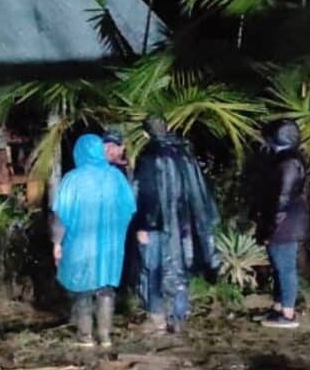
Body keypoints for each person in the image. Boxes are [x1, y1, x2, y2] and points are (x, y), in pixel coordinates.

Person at [132, 116, 220, 335]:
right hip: (185, 224)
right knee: (178, 269)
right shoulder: (184, 154)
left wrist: (143, 223)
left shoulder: (150, 156)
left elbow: (148, 192)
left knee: (153, 269)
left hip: (158, 224)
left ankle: (157, 317)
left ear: (145, 133)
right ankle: (178, 315)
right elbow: (199, 191)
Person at [52, 134, 136, 348]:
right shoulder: (116, 177)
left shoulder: (72, 179)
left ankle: (85, 336)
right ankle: (105, 336)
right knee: (106, 287)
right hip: (110, 245)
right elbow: (129, 208)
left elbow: (61, 215)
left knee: (83, 289)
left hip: (79, 245)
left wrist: (57, 243)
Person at [259, 121, 308, 329]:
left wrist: (271, 227)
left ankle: (287, 312)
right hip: (286, 221)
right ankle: (279, 307)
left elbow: (282, 198)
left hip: (285, 223)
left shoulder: (288, 163)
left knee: (285, 267)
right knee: (279, 266)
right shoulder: (286, 159)